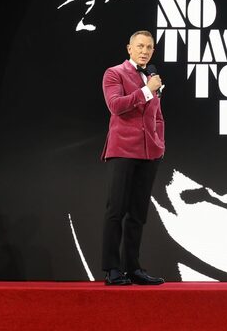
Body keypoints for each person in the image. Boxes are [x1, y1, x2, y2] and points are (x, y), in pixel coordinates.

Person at [100, 30, 166, 286]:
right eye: (140, 46)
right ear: (129, 48)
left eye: (149, 47)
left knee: (138, 214)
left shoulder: (152, 78)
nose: (144, 51)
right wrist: (147, 91)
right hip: (123, 150)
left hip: (150, 153)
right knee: (116, 210)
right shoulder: (114, 73)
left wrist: (160, 143)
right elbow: (116, 105)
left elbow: (157, 116)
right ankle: (112, 269)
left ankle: (133, 268)